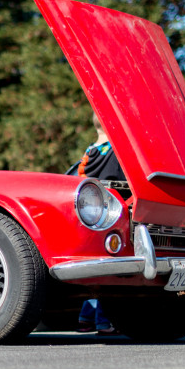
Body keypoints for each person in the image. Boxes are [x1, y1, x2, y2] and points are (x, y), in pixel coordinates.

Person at [73, 113, 122, 335]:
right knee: (111, 270)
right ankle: (104, 320)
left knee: (95, 268)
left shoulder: (90, 152)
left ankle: (85, 317)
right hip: (110, 212)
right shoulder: (115, 151)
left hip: (90, 214)